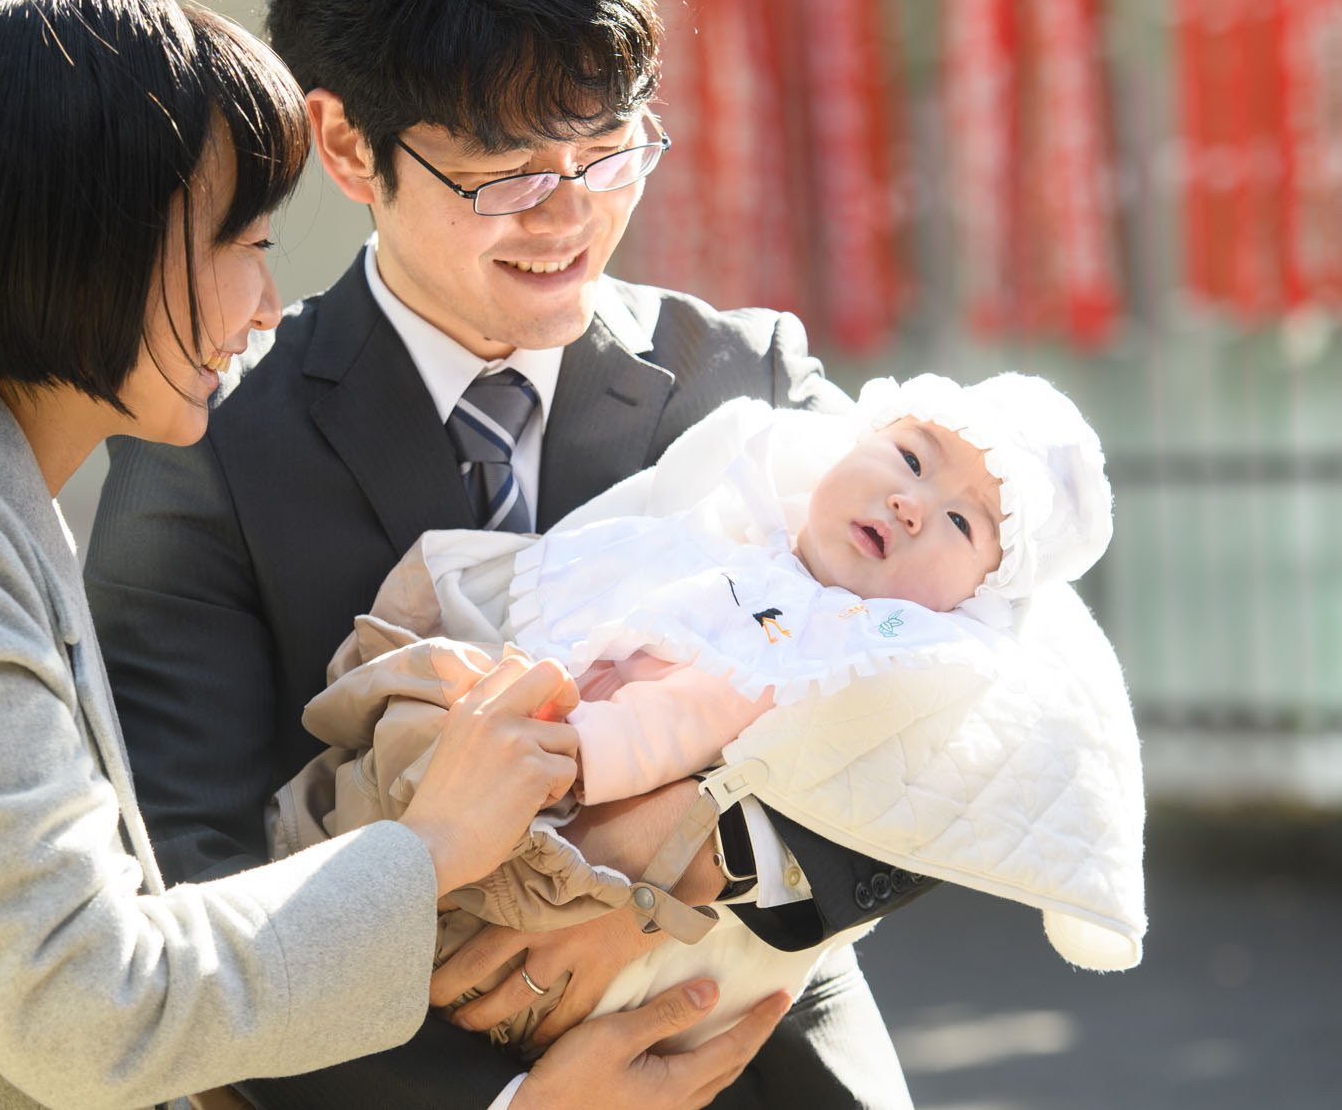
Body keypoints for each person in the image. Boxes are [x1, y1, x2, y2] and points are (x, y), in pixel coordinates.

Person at [0, 0, 675, 1110]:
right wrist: (431, 844)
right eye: (241, 243)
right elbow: (88, 1007)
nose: (265, 304)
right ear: (91, 251)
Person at [86, 0, 929, 1110]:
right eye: (510, 174)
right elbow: (189, 887)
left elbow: (958, 708)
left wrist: (704, 872)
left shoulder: (741, 379)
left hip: (765, 1063)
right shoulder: (208, 448)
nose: (574, 213)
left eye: (609, 150)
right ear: (352, 146)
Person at [276, 371, 1146, 1055]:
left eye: (960, 521)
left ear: (973, 600)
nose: (913, 503)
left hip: (567, 779)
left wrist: (589, 762)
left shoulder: (838, 640)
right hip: (517, 713)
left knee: (434, 856)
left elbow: (703, 719)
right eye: (910, 459)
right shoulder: (748, 507)